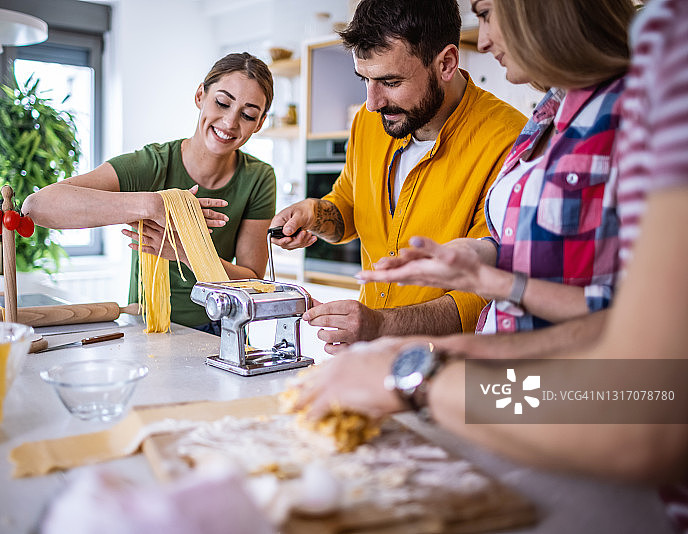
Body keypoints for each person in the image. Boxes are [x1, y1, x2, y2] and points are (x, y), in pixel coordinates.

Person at [291, 0, 688, 522]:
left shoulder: (661, 54)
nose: (486, 34)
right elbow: (606, 318)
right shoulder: (552, 110)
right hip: (507, 395)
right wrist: (466, 319)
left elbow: (646, 408)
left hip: (554, 418)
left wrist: (414, 377)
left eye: (486, 10)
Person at [358, 0, 633, 338]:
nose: (483, 41)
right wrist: (480, 252)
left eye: (486, 13)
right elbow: (543, 247)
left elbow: (641, 315)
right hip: (511, 373)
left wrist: (495, 283)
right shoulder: (549, 112)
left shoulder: (639, 116)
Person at [270, 0, 527, 353]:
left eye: (390, 81)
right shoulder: (368, 122)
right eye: (365, 80)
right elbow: (347, 206)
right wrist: (314, 213)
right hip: (367, 357)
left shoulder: (509, 140)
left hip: (450, 367)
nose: (372, 102)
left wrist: (383, 326)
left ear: (446, 63)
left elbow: (487, 290)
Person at [23, 53, 276, 334]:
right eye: (222, 102)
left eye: (248, 114)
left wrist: (185, 252)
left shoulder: (258, 177)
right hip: (146, 326)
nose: (230, 122)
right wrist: (154, 203)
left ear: (260, 122)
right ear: (200, 96)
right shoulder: (152, 165)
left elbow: (253, 282)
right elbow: (37, 206)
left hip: (221, 328)